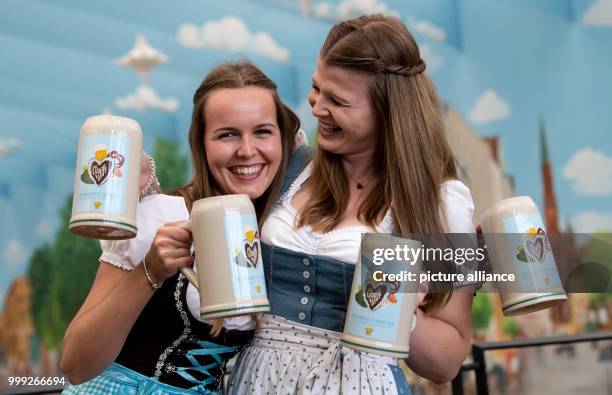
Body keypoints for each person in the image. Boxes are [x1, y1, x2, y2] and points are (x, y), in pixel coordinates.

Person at [226, 15, 477, 394]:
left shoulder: (442, 204)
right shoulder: (292, 167)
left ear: (387, 112)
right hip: (258, 380)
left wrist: (399, 309)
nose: (316, 107)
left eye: (337, 101)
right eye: (316, 88)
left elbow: (446, 363)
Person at [60, 61, 300, 394]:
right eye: (227, 134)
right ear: (200, 144)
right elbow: (75, 364)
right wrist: (150, 272)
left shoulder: (282, 232)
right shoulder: (161, 215)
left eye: (262, 131)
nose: (247, 151)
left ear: (283, 139)